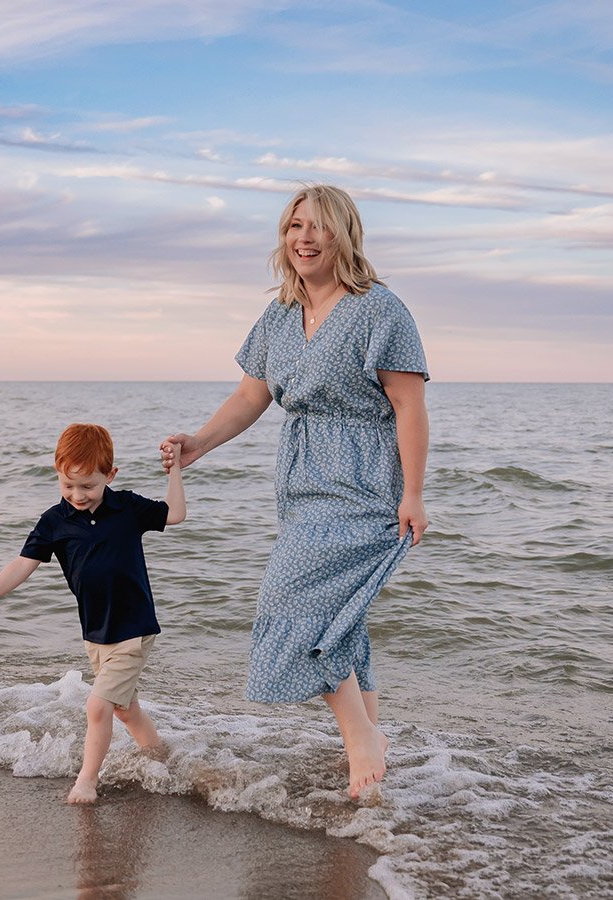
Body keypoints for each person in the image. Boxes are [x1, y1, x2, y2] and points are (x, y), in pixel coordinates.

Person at [161, 184, 429, 799]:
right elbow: (252, 394)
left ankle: (360, 737)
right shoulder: (280, 315)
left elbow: (409, 405)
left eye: (318, 227)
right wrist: (200, 443)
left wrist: (413, 494)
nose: (303, 238)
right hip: (302, 484)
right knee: (340, 617)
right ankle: (369, 759)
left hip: (363, 482)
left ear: (344, 236)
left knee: (288, 601)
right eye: (293, 227)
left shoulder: (381, 310)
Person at [0, 423, 186, 804]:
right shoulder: (55, 521)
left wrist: (175, 469)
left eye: (88, 486)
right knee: (124, 710)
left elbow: (176, 514)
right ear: (57, 474)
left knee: (97, 705)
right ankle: (162, 760)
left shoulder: (128, 507)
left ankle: (87, 780)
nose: (77, 495)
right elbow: (23, 563)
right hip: (96, 632)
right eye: (68, 486)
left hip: (133, 627)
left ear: (109, 476)